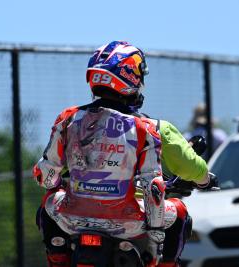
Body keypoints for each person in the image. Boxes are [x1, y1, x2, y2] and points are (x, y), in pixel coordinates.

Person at [32, 41, 216, 267]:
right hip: (129, 223)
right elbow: (183, 170)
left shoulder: (68, 119)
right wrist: (205, 179)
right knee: (179, 213)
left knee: (47, 203)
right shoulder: (151, 127)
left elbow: (45, 177)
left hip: (73, 220)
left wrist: (69, 176)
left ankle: (57, 259)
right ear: (131, 77)